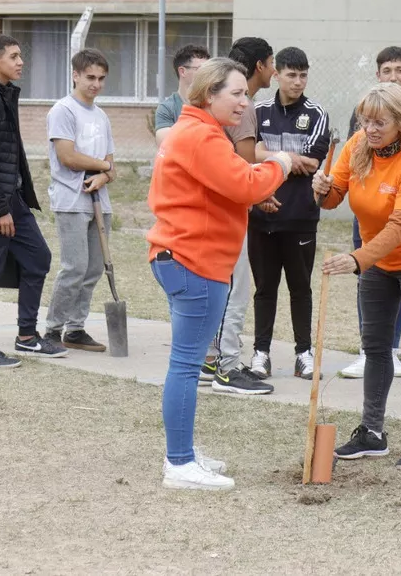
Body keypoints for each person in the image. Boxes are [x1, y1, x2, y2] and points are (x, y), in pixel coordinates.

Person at [148, 57, 293, 491]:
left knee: (189, 365)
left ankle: (185, 453)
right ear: (209, 94)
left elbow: (227, 185)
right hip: (193, 261)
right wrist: (281, 163)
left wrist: (252, 183)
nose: (244, 102)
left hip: (186, 258)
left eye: (245, 94)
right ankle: (179, 463)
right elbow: (245, 185)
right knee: (187, 366)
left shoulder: (197, 132)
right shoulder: (200, 136)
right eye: (236, 93)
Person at [313, 82, 401, 471]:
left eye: (379, 122)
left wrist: (358, 259)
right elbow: (334, 195)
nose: (370, 129)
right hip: (377, 260)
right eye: (365, 120)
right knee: (374, 346)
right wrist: (320, 188)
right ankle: (372, 432)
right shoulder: (357, 146)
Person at [0, 34, 65, 368]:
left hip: (12, 197)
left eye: (21, 56)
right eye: (14, 56)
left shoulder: (1, 93)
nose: (21, 62)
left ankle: (26, 337)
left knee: (37, 258)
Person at [247, 47, 330, 381]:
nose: (298, 82)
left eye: (303, 75)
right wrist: (283, 157)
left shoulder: (317, 113)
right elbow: (249, 152)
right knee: (265, 289)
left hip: (300, 217)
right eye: (291, 75)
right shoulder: (258, 110)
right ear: (276, 74)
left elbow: (312, 162)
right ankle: (260, 354)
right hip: (261, 217)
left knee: (300, 288)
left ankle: (303, 354)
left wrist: (270, 154)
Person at [338, 46, 401, 380]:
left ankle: (392, 349)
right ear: (378, 75)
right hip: (369, 215)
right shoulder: (361, 122)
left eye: (399, 70)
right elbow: (350, 166)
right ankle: (368, 348)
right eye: (387, 71)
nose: (393, 76)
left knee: (400, 281)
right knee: (369, 279)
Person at [204, 37, 279, 396]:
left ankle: (210, 357)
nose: (275, 71)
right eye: (271, 63)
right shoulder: (243, 107)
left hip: (213, 211)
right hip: (229, 214)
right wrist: (264, 187)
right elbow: (246, 163)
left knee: (219, 287)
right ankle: (229, 367)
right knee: (235, 289)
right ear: (259, 66)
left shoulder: (211, 108)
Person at [43, 49, 118, 351]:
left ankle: (75, 329)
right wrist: (103, 167)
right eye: (90, 77)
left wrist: (103, 175)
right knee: (74, 268)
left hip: (100, 201)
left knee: (94, 269)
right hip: (71, 200)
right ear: (75, 75)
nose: (96, 84)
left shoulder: (101, 116)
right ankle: (51, 331)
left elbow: (113, 164)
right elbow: (68, 157)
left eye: (101, 78)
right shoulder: (63, 111)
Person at [152, 44, 211, 146]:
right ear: (182, 71)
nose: (208, 74)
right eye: (201, 69)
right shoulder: (167, 108)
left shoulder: (213, 102)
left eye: (209, 70)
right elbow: (166, 144)